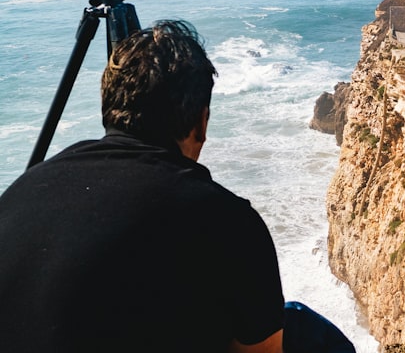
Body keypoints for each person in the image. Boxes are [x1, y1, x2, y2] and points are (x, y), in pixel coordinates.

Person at [0, 20, 352, 353]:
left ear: (108, 108)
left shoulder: (21, 192)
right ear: (201, 122)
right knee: (304, 330)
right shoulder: (225, 221)